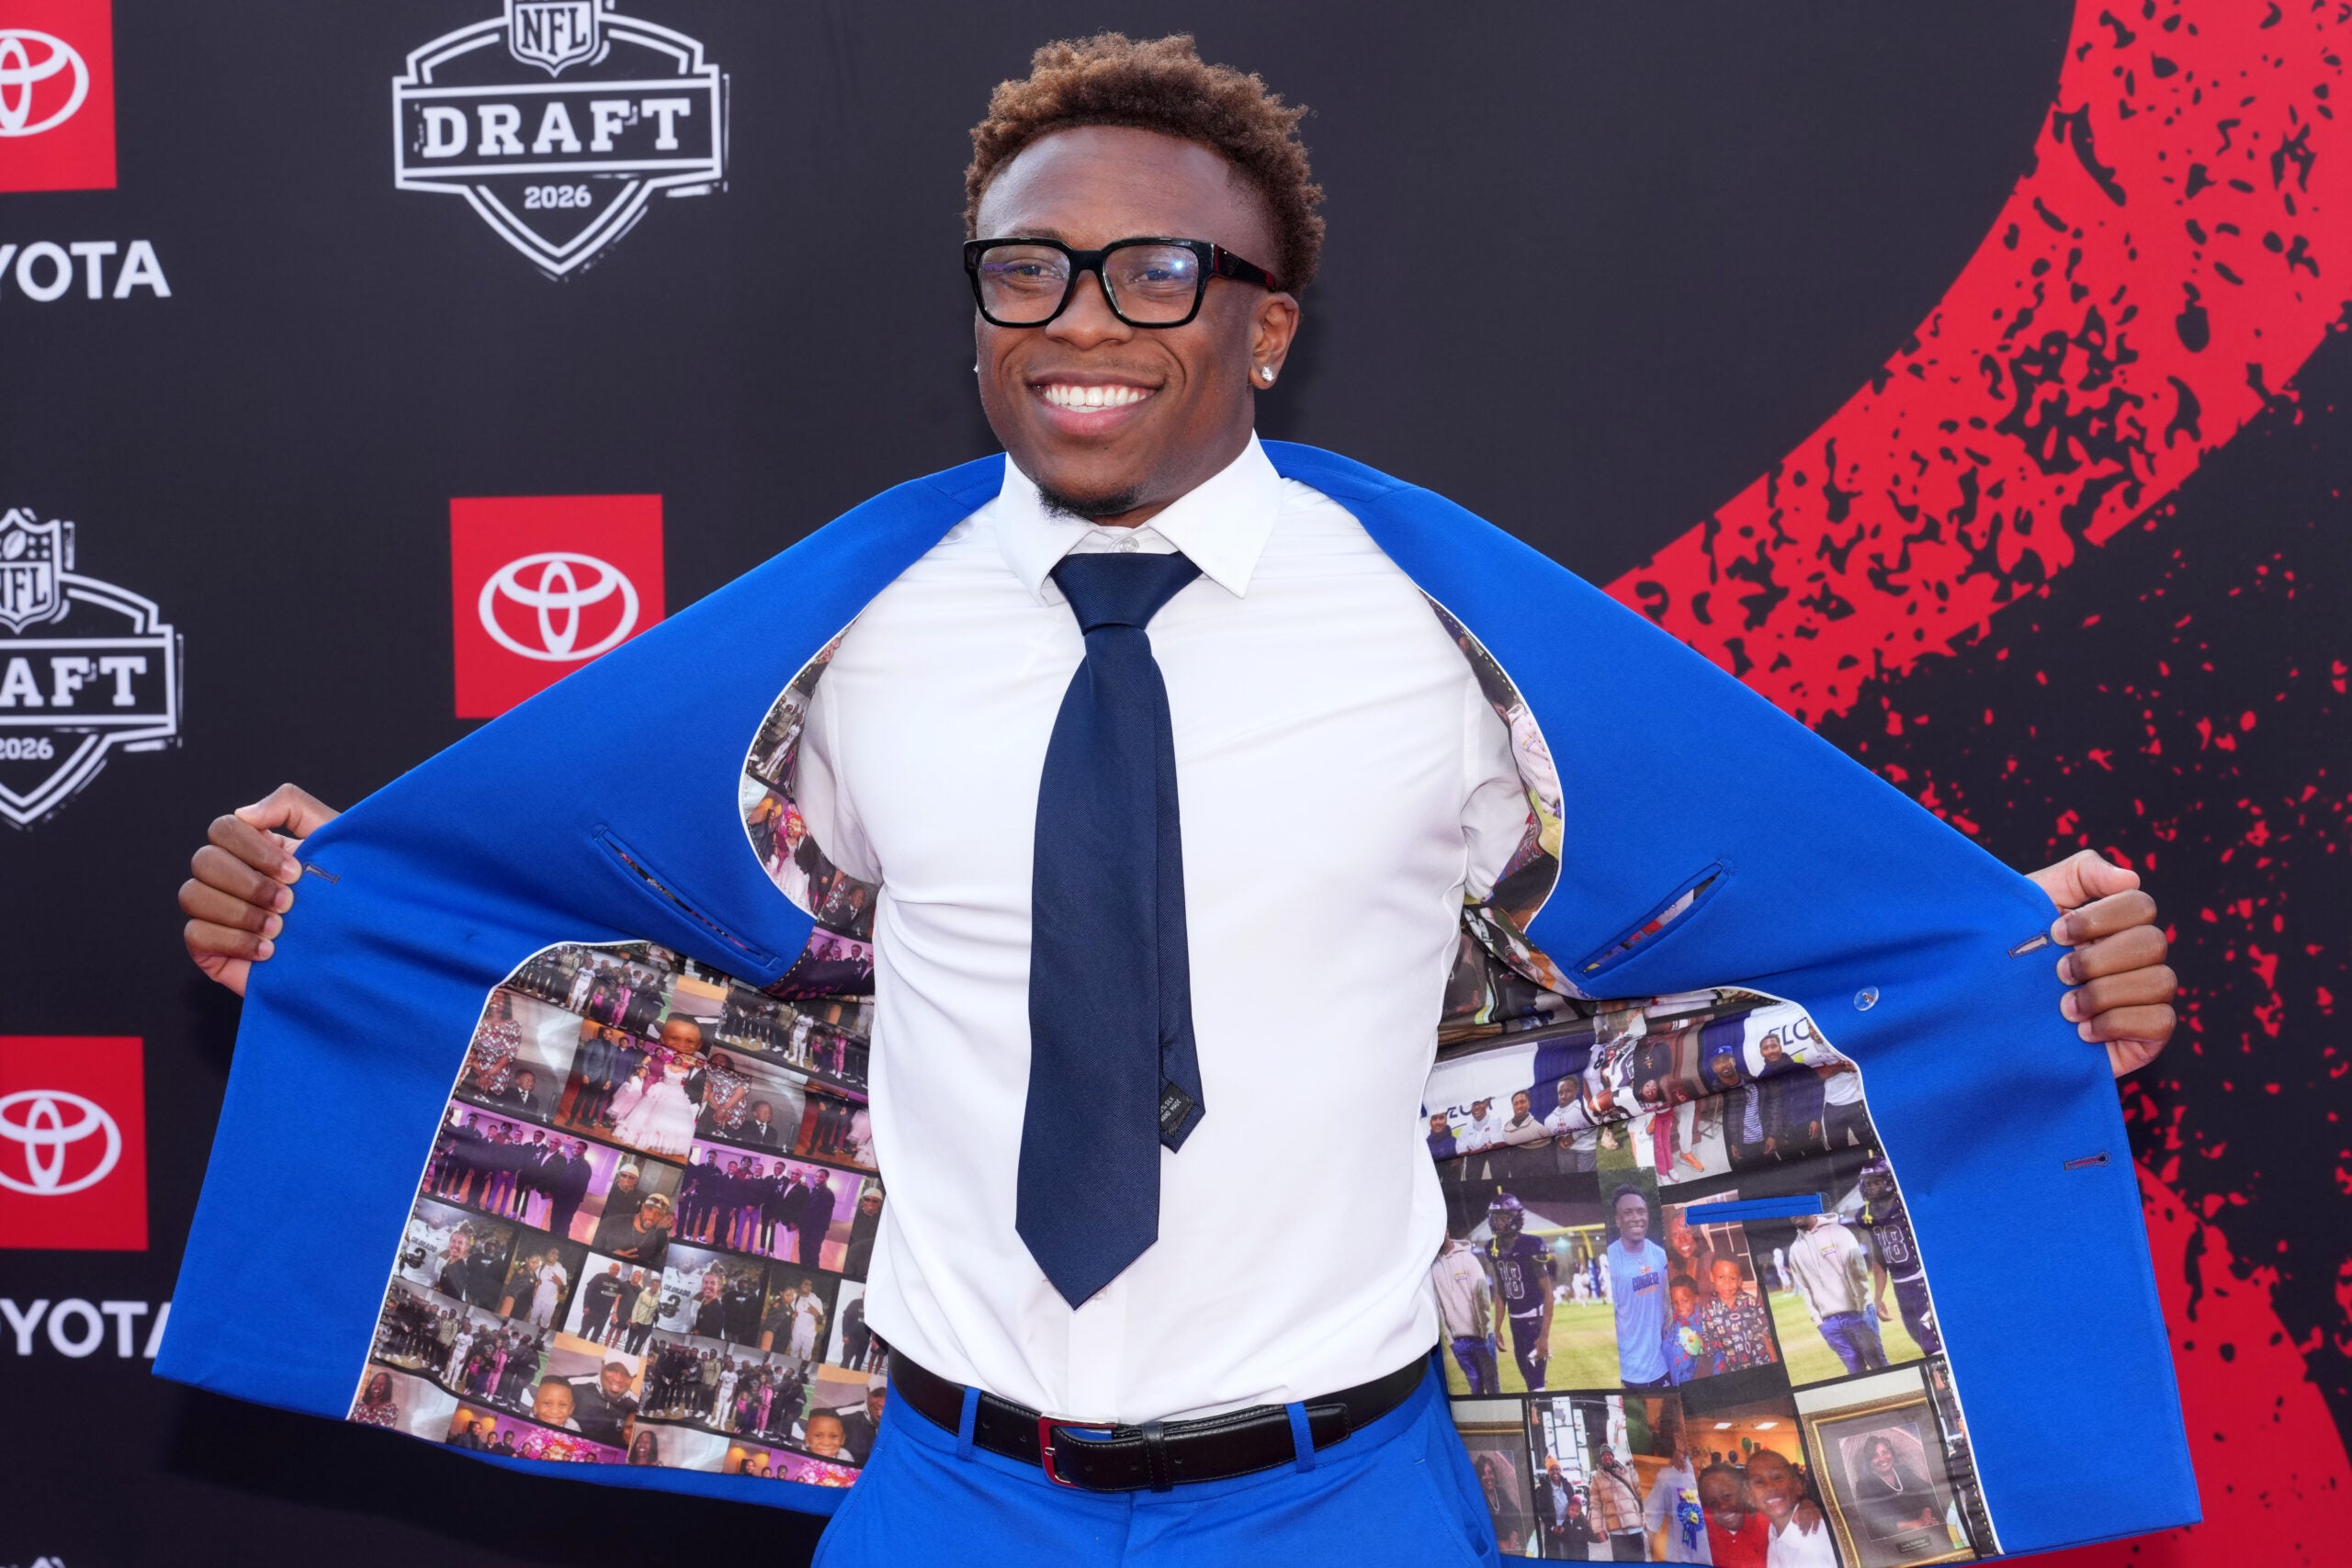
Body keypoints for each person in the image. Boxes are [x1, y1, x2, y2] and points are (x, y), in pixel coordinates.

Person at [175, 31, 2180, 1565]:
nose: (1074, 322)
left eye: (1151, 271)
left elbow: (1783, 918)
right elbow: (585, 913)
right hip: (949, 1487)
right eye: (1022, 269)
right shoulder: (846, 641)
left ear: (1263, 323)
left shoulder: (1449, 646)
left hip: (1345, 1491)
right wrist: (311, 903)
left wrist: (2044, 965)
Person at [1854, 1158, 1942, 1357]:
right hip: (1901, 1287)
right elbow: (1879, 1261)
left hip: (1921, 1281)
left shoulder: (1905, 1205)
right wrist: (1877, 1299)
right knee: (1919, 1339)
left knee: (1933, 1343)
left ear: (1889, 1180)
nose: (1872, 1187)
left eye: (1877, 1181)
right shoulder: (1866, 1217)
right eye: (1868, 1183)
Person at [1786, 1214, 1887, 1376]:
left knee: (1879, 1367)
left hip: (1858, 1313)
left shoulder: (1839, 1232)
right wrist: (1818, 1321)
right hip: (1830, 1323)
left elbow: (1857, 1270)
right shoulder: (1795, 1250)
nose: (1795, 1215)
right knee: (1855, 1373)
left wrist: (1861, 1307)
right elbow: (1805, 1288)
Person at [1482, 1191, 1555, 1391]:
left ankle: (1540, 1416)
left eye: (1502, 1217)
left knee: (1535, 1383)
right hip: (1516, 1322)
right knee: (1527, 1377)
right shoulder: (1492, 1248)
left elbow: (1548, 1293)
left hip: (1533, 1320)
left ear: (1515, 1218)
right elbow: (1501, 1292)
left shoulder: (1531, 1245)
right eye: (1495, 1218)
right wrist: (1497, 1328)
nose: (1497, 1223)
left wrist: (1544, 1336)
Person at [1607, 1187, 1670, 1389]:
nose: (1636, 1218)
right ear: (1618, 1220)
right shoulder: (1611, 1261)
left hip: (1662, 1367)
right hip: (1629, 1375)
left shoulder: (1659, 1255)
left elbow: (1668, 1304)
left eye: (1641, 1211)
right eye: (1628, 1213)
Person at [1744, 1449, 1837, 1568]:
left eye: (1777, 1477)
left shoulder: (1821, 1536)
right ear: (1750, 1497)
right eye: (1759, 1482)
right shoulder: (1774, 1537)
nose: (1770, 1487)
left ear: (1798, 1485)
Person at [1848, 1433, 1949, 1540]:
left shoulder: (1902, 1470)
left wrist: (1926, 1514)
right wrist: (1913, 1524)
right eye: (1875, 1456)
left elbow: (1928, 1491)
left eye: (1885, 1452)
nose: (1882, 1458)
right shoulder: (1864, 1485)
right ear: (1870, 1462)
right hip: (1898, 1538)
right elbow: (1874, 1522)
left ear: (1891, 1454)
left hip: (1926, 1524)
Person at [1430, 1235, 1497, 1395]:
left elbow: (1481, 1295)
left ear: (1446, 1231)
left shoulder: (1468, 1259)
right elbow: (1439, 1305)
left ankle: (1500, 1420)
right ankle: (1482, 1420)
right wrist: (1450, 1338)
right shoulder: (1433, 1267)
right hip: (1458, 1341)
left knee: (1493, 1387)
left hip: (1482, 1337)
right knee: (1475, 1387)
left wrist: (1484, 1330)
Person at [1642, 1413, 1708, 1564]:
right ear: (1679, 1439)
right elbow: (1651, 1521)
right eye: (1688, 1428)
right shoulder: (1668, 1478)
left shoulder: (1720, 1475)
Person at [1699, 1257, 1778, 1375]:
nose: (1727, 1284)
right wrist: (1699, 1344)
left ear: (1740, 1280)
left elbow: (1766, 1336)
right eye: (1721, 1277)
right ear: (1711, 1276)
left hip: (1762, 1365)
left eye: (1732, 1278)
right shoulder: (1708, 1310)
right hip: (1734, 1371)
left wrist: (1775, 1363)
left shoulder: (1751, 1302)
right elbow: (1711, 1346)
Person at [1698, 1462, 1769, 1568]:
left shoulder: (1767, 1524)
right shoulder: (1700, 1531)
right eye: (1713, 1503)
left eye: (1727, 1496)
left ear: (1743, 1492)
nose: (1722, 1507)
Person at [1588, 1450, 1647, 1562]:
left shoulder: (1627, 1470)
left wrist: (1648, 1518)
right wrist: (1598, 1529)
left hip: (1634, 1525)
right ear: (1601, 1459)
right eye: (1604, 1455)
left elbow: (1641, 1494)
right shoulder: (1596, 1477)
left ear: (1613, 1456)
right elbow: (1595, 1506)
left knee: (1639, 1560)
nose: (1607, 1457)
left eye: (1609, 1454)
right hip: (1616, 1531)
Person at [1533, 1457, 1597, 1557]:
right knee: (1558, 1556)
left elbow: (1574, 1503)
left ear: (1560, 1470)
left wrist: (1579, 1516)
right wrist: (1552, 1527)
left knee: (1572, 1554)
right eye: (1552, 1469)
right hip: (1554, 1529)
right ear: (1548, 1472)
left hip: (1569, 1526)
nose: (1555, 1472)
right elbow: (1541, 1511)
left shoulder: (1567, 1485)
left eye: (1557, 1469)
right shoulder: (1543, 1489)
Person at [838, 1385, 886, 1463]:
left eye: (889, 1396)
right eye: (877, 1394)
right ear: (868, 1391)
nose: (880, 1414)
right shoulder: (840, 1417)